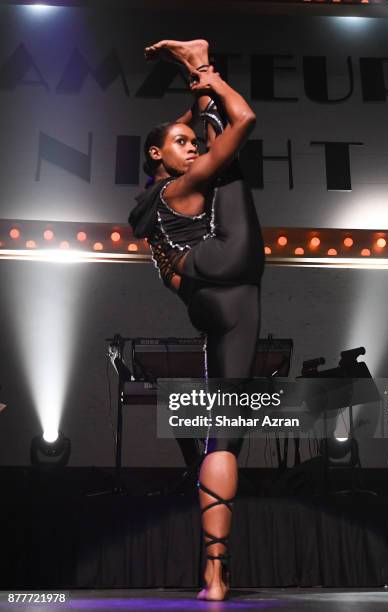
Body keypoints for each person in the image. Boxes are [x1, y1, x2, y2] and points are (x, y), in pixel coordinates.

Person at [129, 40, 264, 601]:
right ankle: (200, 56)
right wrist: (199, 79)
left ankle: (213, 573)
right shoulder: (183, 186)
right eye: (180, 144)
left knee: (222, 439)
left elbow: (227, 121)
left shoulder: (151, 202)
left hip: (213, 297)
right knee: (230, 163)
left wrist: (194, 90)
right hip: (225, 277)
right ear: (157, 156)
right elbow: (241, 119)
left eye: (192, 141)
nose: (190, 148)